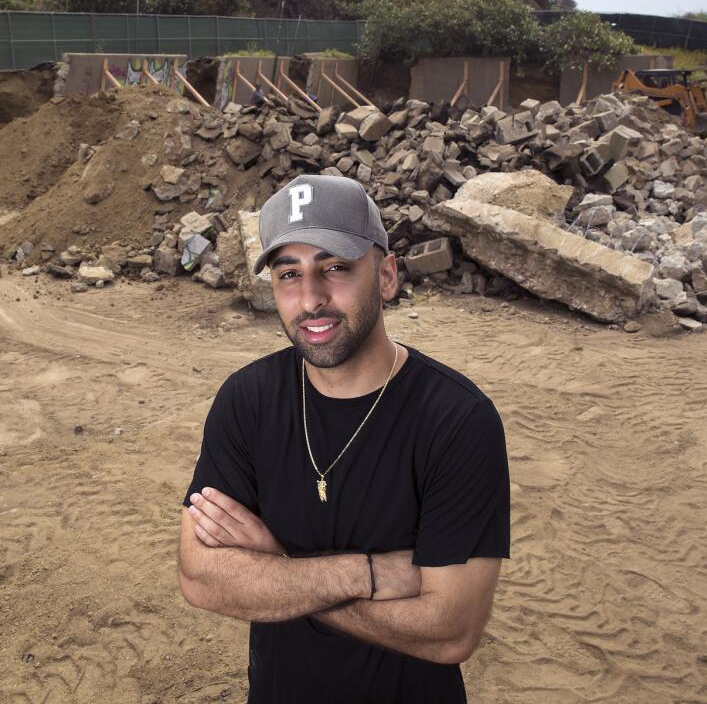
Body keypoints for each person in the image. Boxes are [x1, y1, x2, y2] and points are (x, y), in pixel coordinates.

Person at [178, 174, 510, 703]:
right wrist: (373, 574)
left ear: (385, 276)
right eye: (289, 274)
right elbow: (200, 577)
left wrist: (277, 570)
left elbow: (451, 630)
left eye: (335, 267)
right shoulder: (247, 400)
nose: (311, 299)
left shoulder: (456, 419)